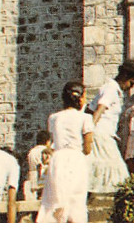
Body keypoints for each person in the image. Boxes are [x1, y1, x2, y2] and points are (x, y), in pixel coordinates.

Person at [36, 81, 94, 224]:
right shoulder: (86, 118)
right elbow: (88, 148)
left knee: (55, 199)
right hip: (76, 158)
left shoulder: (54, 118)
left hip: (59, 158)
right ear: (80, 98)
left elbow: (54, 139)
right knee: (76, 199)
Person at [88, 58, 134, 194]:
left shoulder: (111, 89)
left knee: (110, 172)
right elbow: (100, 109)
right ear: (125, 77)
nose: (131, 87)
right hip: (102, 134)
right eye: (131, 82)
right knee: (117, 171)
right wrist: (89, 130)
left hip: (105, 133)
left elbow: (89, 109)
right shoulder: (111, 89)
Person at [24, 130, 51, 200]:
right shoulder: (46, 151)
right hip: (42, 177)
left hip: (32, 177)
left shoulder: (31, 152)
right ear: (47, 141)